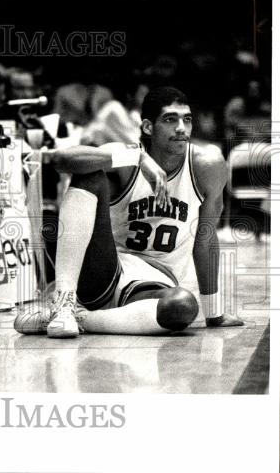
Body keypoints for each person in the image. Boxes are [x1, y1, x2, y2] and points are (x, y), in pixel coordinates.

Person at [15, 86, 243, 338]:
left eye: (186, 119)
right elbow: (62, 160)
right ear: (147, 127)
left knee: (183, 306)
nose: (181, 128)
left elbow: (206, 238)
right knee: (90, 174)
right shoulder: (128, 156)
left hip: (153, 286)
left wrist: (214, 313)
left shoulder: (207, 166)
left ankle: (79, 318)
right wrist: (136, 158)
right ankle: (64, 302)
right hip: (106, 272)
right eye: (170, 119)